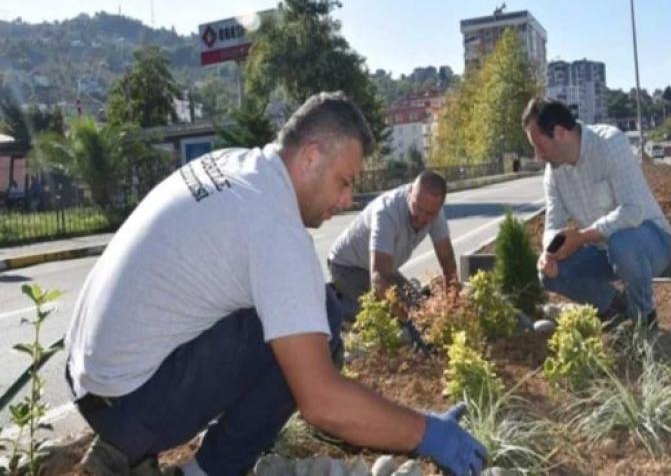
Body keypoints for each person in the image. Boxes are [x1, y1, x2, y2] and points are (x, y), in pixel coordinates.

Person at [65, 92, 486, 476]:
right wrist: (426, 433)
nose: (346, 201)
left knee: (301, 309)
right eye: (344, 181)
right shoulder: (276, 228)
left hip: (90, 378)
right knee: (318, 324)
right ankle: (204, 472)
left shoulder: (236, 164)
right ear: (310, 157)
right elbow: (322, 402)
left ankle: (121, 450)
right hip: (130, 404)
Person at [521, 97, 671, 328]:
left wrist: (582, 237)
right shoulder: (554, 173)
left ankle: (645, 319)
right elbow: (553, 224)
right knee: (550, 274)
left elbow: (632, 211)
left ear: (559, 133)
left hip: (649, 241)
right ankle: (618, 308)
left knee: (622, 244)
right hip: (602, 250)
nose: (537, 156)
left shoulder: (610, 143)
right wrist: (548, 253)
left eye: (539, 146)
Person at [327, 170, 458, 324]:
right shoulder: (387, 212)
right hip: (347, 266)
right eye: (417, 208)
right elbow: (379, 278)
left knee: (420, 309)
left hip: (384, 266)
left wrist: (453, 303)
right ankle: (335, 304)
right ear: (410, 192)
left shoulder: (435, 210)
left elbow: (447, 260)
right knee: (377, 320)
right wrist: (409, 320)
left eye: (429, 214)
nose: (422, 217)